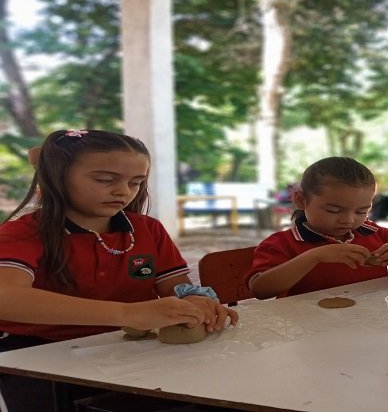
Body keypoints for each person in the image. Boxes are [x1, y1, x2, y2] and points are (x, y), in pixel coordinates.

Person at [0, 129, 239, 411]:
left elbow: (175, 284)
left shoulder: (147, 230)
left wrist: (194, 301)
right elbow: (7, 298)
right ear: (57, 177)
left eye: (136, 182)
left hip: (124, 348)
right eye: (104, 180)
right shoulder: (24, 233)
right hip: (37, 355)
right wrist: (128, 313)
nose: (123, 191)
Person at [247, 156, 388, 299]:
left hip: (370, 320)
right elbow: (260, 290)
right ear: (301, 200)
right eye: (334, 210)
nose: (348, 220)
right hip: (309, 330)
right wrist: (314, 256)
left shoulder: (374, 233)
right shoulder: (283, 243)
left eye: (361, 211)